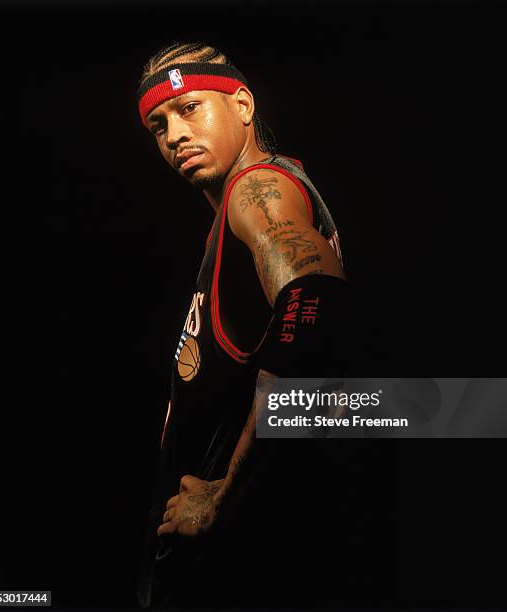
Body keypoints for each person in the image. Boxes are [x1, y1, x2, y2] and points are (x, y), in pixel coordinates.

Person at [135, 42, 351, 610]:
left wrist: (225, 496)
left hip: (240, 562)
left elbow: (312, 302)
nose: (174, 134)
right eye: (158, 125)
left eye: (190, 109)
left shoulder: (260, 190)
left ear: (245, 105)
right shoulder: (231, 220)